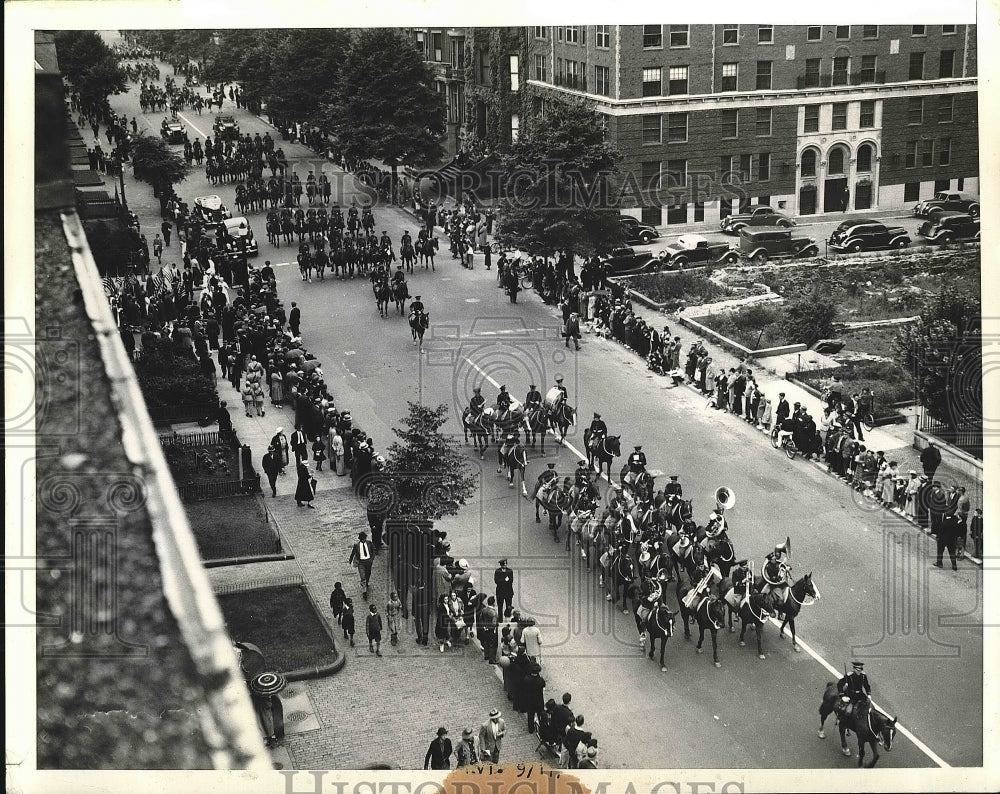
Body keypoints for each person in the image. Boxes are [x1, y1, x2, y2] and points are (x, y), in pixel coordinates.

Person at [521, 661, 546, 733]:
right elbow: (543, 686)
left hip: (530, 701)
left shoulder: (526, 679)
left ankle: (531, 729)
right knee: (540, 715)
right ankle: (542, 729)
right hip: (539, 700)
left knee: (530, 715)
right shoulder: (540, 680)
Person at [348, 531, 374, 599]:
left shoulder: (369, 543)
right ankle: (364, 591)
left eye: (365, 538)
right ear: (360, 539)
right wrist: (350, 560)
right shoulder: (356, 545)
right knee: (362, 576)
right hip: (361, 563)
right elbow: (353, 553)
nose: (364, 540)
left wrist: (372, 558)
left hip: (368, 561)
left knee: (368, 573)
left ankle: (366, 582)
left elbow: (373, 550)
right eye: (363, 539)